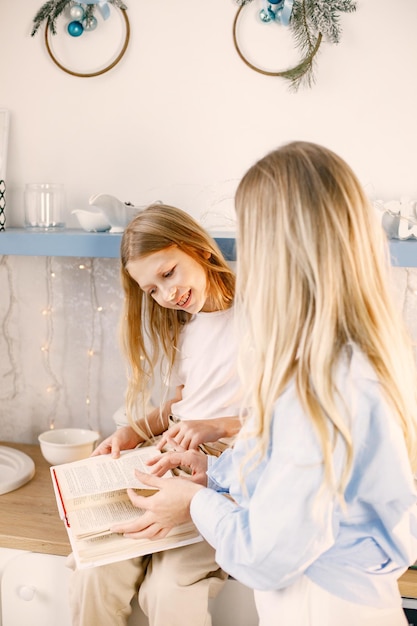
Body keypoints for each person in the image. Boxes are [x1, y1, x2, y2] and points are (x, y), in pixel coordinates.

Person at [112, 141, 417, 626]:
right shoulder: (342, 353)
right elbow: (287, 462)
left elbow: (264, 556)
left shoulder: (323, 381)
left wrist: (197, 500)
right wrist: (214, 474)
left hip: (324, 608)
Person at [68, 204, 243, 626]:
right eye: (151, 290)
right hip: (168, 456)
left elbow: (291, 420)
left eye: (168, 274)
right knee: (95, 569)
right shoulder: (188, 326)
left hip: (228, 468)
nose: (166, 296)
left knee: (167, 592)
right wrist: (132, 431)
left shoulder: (264, 312)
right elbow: (184, 402)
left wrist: (216, 426)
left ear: (197, 248)